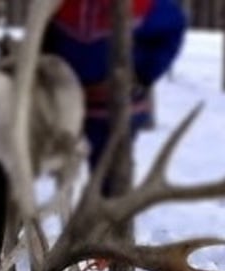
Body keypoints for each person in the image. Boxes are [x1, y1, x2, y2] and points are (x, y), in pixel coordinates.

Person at [41, 0, 188, 169]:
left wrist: (145, 73)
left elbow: (174, 25)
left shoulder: (140, 5)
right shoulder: (60, 5)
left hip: (113, 109)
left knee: (108, 177)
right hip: (60, 105)